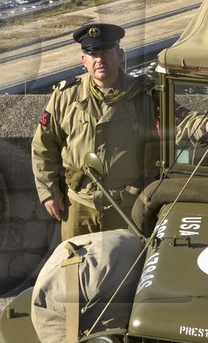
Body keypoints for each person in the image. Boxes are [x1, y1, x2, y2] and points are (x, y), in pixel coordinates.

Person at [32, 22, 162, 241]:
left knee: (124, 266)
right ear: (84, 60)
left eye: (106, 52)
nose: (100, 59)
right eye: (93, 54)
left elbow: (178, 121)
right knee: (75, 264)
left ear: (119, 54)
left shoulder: (144, 95)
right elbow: (43, 145)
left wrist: (204, 125)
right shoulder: (66, 96)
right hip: (78, 204)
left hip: (125, 205)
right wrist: (49, 192)